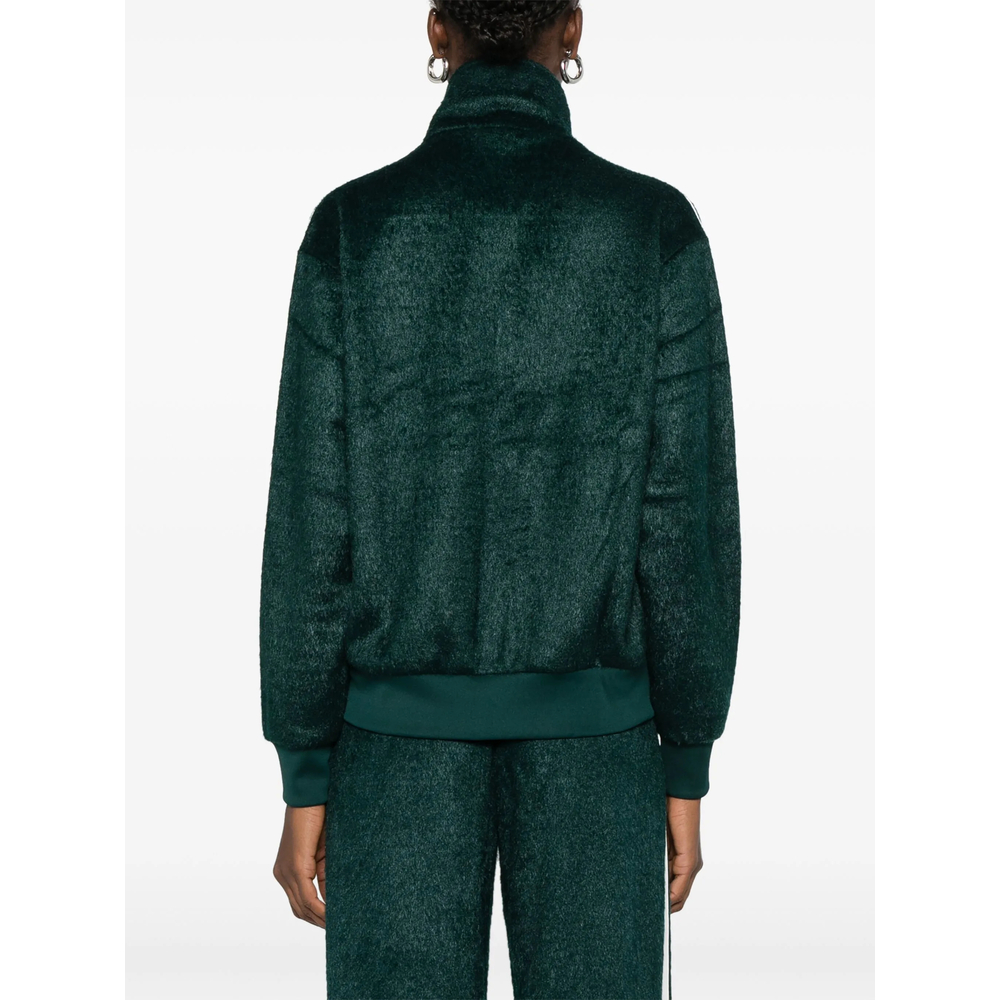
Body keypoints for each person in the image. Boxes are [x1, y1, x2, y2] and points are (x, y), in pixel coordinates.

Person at [259, 2, 741, 997]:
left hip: (394, 750)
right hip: (598, 748)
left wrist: (306, 769)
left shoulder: (354, 229)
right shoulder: (651, 229)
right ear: (573, 30)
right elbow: (683, 520)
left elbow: (313, 516)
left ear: (438, 32)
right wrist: (684, 759)